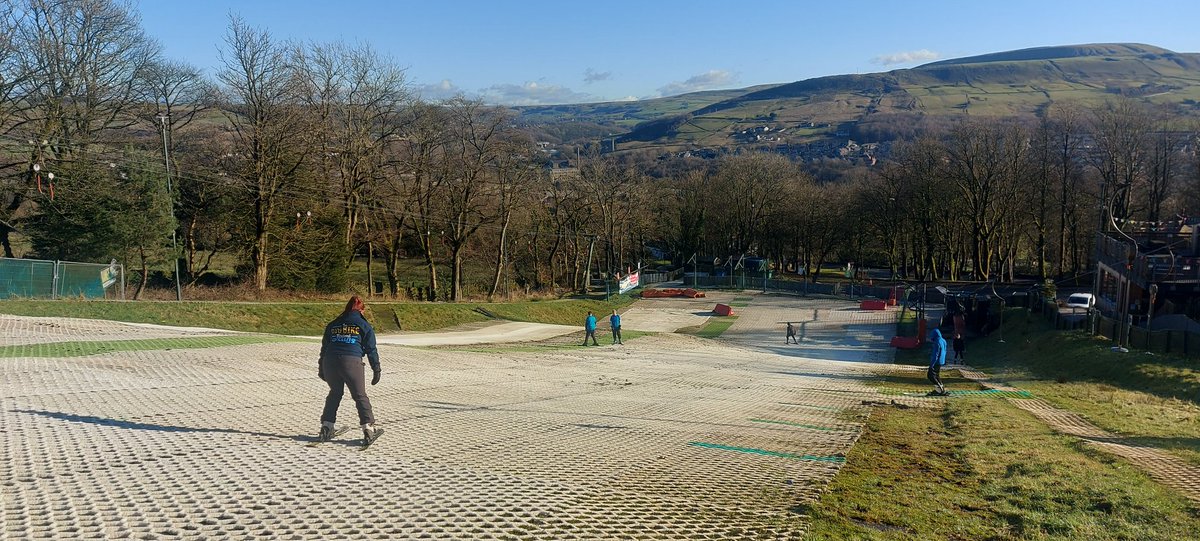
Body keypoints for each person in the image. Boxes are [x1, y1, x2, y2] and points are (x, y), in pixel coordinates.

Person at [319, 295, 384, 447]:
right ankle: (368, 429)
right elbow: (371, 350)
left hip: (330, 361)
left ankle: (326, 427)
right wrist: (376, 369)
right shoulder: (363, 325)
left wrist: (321, 367)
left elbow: (324, 348)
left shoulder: (333, 324)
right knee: (360, 396)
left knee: (335, 393)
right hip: (351, 362)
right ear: (361, 310)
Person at [927, 328, 947, 395]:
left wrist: (931, 365)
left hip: (936, 361)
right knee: (937, 375)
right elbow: (945, 351)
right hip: (941, 360)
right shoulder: (943, 340)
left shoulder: (937, 342)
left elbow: (936, 354)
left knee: (930, 375)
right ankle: (941, 389)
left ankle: (940, 389)